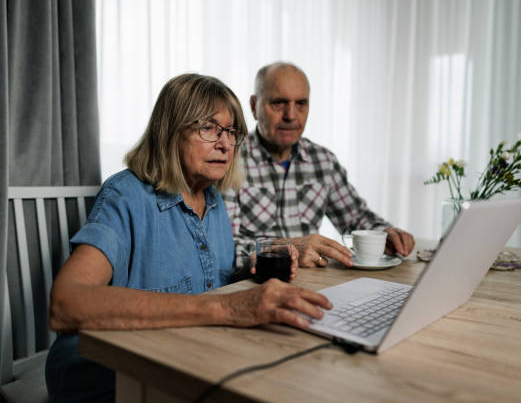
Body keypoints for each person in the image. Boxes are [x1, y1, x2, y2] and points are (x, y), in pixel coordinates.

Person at [44, 74, 332, 402]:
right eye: (208, 129)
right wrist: (226, 307)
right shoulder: (126, 196)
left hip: (179, 360)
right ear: (170, 131)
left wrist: (252, 271)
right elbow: (65, 304)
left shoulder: (212, 200)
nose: (225, 144)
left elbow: (207, 284)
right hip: (107, 374)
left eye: (231, 132)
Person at [223, 62, 415, 270]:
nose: (291, 115)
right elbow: (225, 250)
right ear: (253, 106)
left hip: (313, 283)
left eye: (301, 104)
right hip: (254, 286)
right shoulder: (228, 160)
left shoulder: (323, 161)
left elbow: (356, 219)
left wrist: (384, 233)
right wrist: (287, 251)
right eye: (279, 103)